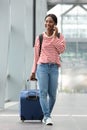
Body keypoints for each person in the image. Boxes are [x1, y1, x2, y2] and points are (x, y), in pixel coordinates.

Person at [30, 14, 66, 125]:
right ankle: (47, 116)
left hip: (54, 67)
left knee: (53, 95)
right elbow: (36, 56)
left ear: (55, 24)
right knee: (43, 92)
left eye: (50, 22)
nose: (48, 24)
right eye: (46, 21)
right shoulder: (40, 37)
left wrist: (54, 36)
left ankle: (47, 116)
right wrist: (33, 71)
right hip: (42, 67)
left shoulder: (60, 36)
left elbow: (61, 50)